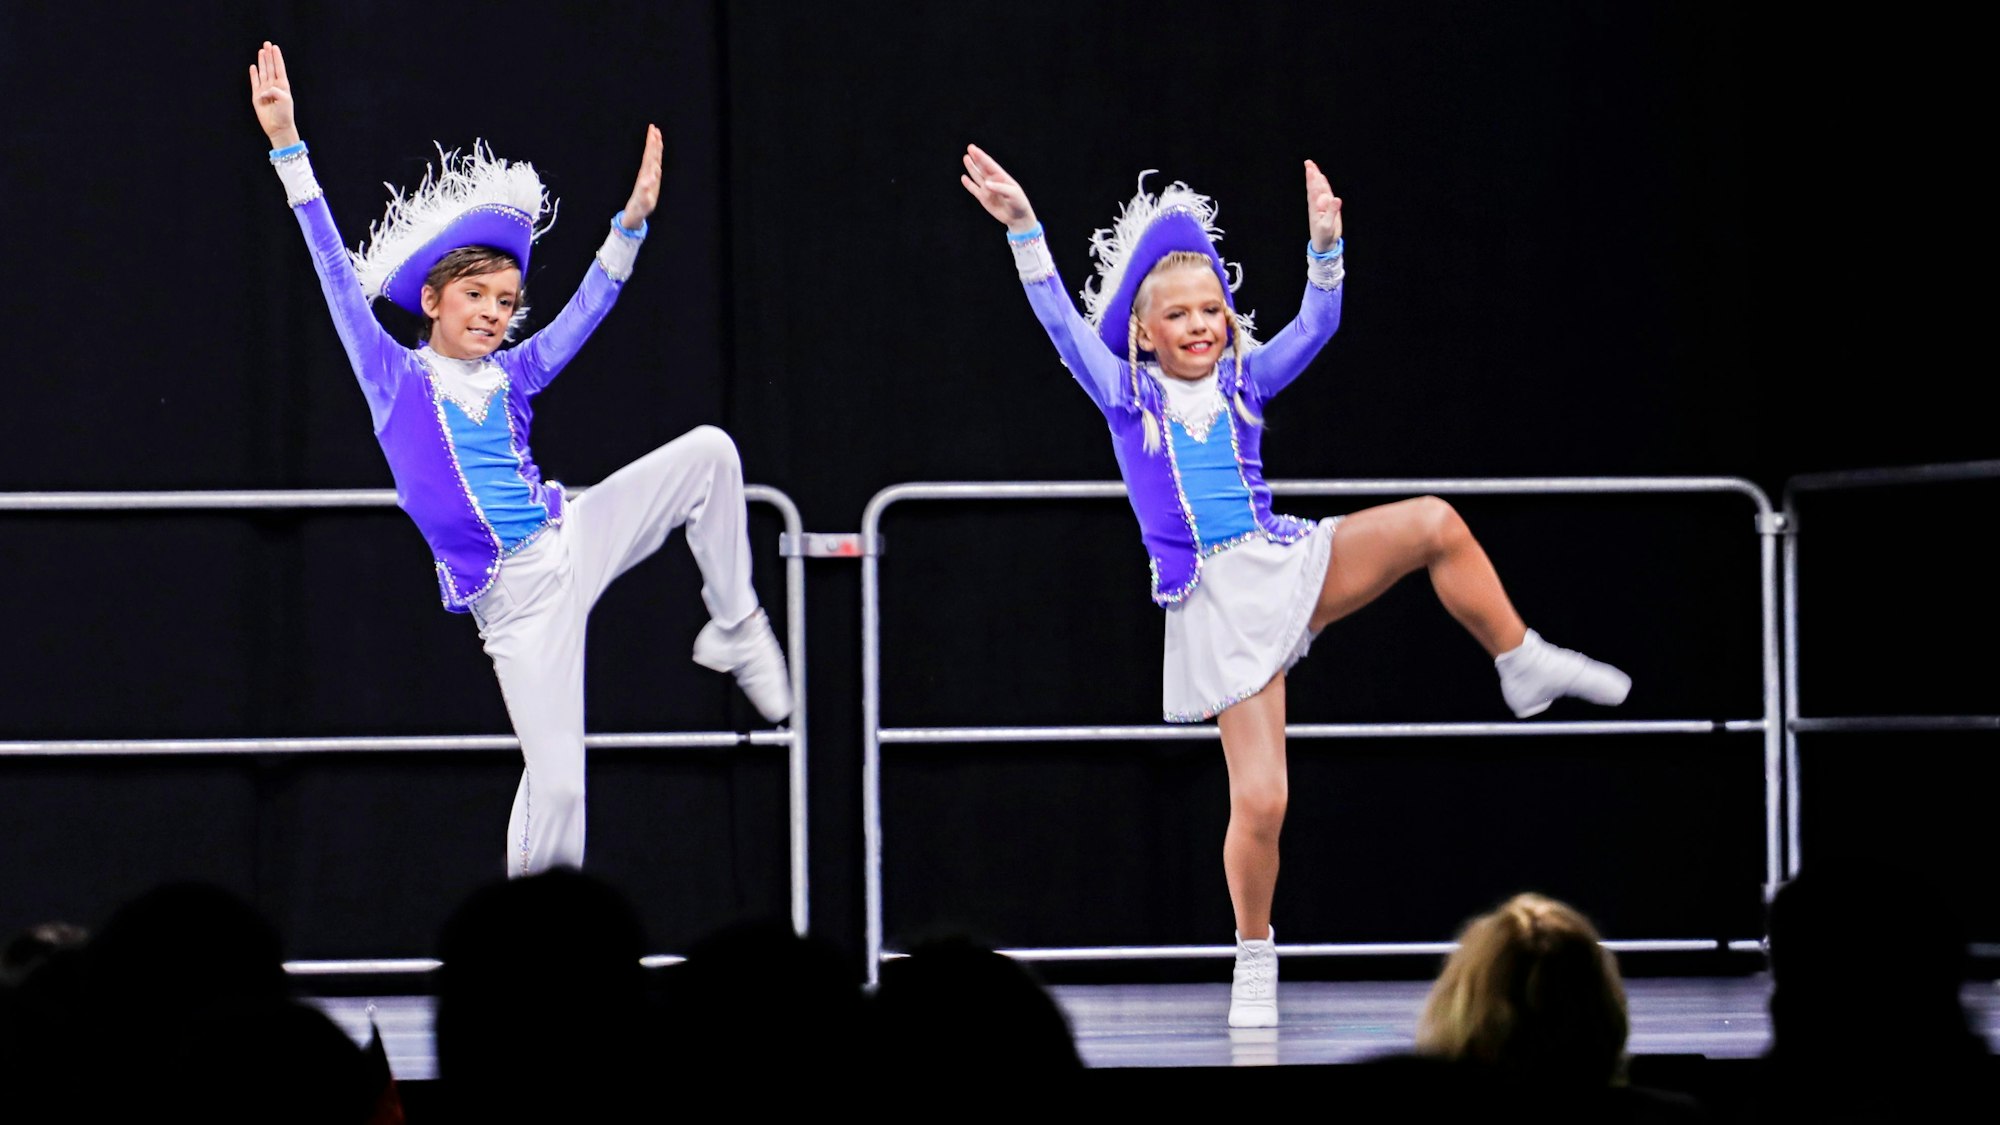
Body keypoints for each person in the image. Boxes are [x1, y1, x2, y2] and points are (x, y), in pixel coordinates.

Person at [960, 145, 1630, 1027]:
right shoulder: (1126, 395)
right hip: (1220, 600)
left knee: (1435, 522)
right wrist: (1025, 230)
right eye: (1179, 315)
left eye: (1213, 309)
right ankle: (1253, 951)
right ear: (1145, 332)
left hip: (1285, 559)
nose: (1202, 325)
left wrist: (1324, 244)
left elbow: (1318, 325)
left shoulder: (1245, 378)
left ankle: (1521, 657)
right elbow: (1059, 324)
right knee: (1264, 798)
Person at [248, 42, 791, 876]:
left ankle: (736, 623)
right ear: (432, 299)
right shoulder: (393, 377)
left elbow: (584, 312)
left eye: (505, 302)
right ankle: (535, 937)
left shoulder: (515, 373)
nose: (493, 314)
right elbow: (332, 269)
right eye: (475, 296)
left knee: (711, 454)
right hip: (517, 610)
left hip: (572, 538)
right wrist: (289, 147)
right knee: (559, 787)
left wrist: (629, 226)